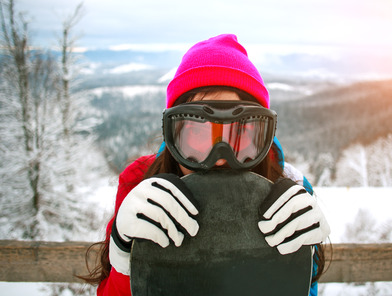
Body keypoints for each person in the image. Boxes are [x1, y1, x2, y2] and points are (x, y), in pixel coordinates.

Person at [82, 34, 330, 296]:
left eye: (241, 134)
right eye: (198, 134)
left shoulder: (290, 190)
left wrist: (300, 263)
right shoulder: (141, 186)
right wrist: (124, 258)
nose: (220, 158)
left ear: (262, 137)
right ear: (173, 136)